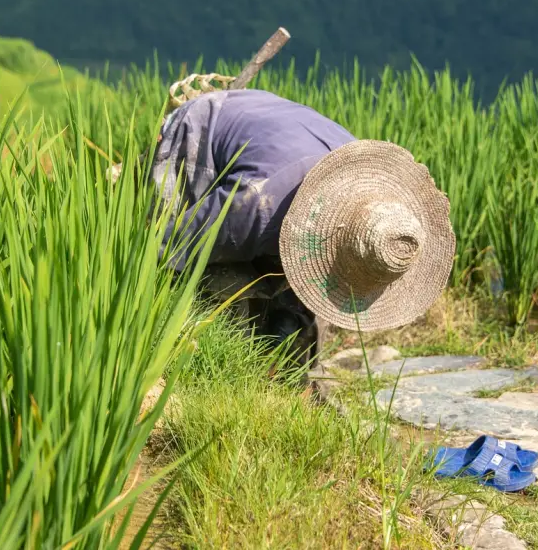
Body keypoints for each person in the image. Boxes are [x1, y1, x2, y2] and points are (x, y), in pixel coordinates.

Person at [144, 88, 456, 376]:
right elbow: (167, 246)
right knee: (201, 270)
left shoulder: (366, 184)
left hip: (279, 131)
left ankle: (281, 354)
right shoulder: (256, 205)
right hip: (204, 128)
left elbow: (318, 281)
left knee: (294, 305)